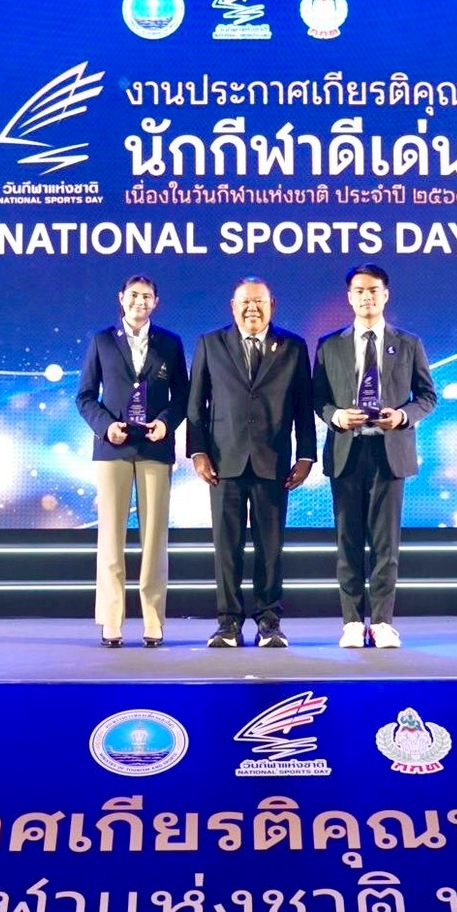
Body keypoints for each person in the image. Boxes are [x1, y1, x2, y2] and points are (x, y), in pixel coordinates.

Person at [312, 263, 436, 649]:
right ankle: (352, 621)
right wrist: (336, 416)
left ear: (386, 295)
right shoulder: (329, 345)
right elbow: (318, 398)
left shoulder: (408, 343)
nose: (367, 297)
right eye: (359, 291)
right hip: (347, 451)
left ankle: (382, 622)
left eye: (373, 290)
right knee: (348, 542)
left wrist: (402, 416)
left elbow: (427, 396)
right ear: (349, 297)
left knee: (386, 545)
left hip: (390, 452)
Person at [187, 277, 316, 647]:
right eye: (244, 302)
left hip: (273, 462)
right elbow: (196, 406)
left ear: (272, 305)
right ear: (233, 306)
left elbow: (303, 405)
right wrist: (198, 452)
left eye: (259, 301)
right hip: (223, 462)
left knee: (270, 549)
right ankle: (228, 623)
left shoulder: (292, 346)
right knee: (226, 549)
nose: (252, 308)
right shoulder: (210, 343)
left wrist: (306, 455)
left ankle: (269, 622)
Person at [76, 274, 189, 648]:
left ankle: (153, 620)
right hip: (113, 449)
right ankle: (111, 620)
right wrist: (106, 427)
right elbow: (85, 397)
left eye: (147, 296)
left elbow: (183, 397)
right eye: (134, 295)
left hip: (155, 447)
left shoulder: (170, 342)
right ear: (121, 298)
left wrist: (165, 423)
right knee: (111, 537)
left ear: (156, 302)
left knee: (155, 538)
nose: (140, 302)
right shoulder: (102, 341)